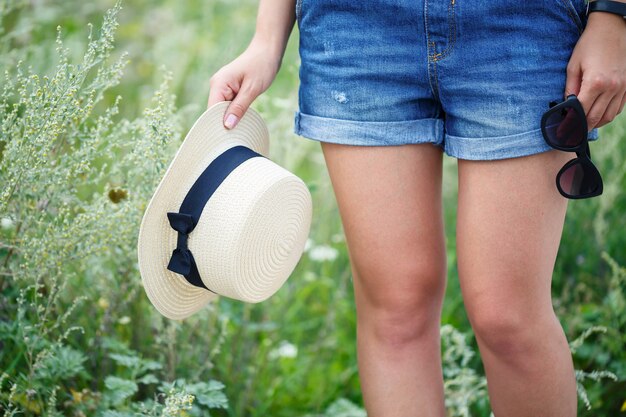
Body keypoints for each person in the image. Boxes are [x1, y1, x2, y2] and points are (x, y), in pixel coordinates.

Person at [207, 1, 626, 416]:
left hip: (520, 23)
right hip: (357, 27)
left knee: (509, 322)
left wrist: (613, 14)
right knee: (396, 314)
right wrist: (266, 40)